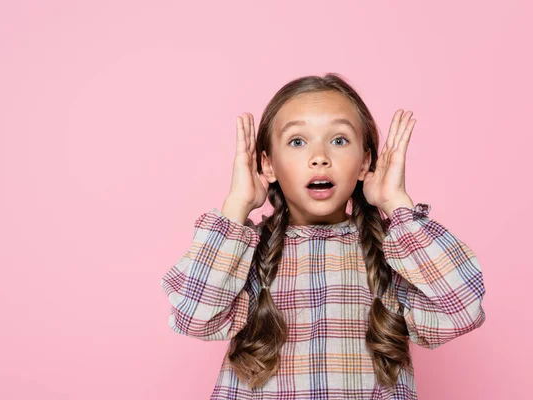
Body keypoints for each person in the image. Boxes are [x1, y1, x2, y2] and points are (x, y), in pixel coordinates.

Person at [160, 73, 486, 399]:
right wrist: (236, 206)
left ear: (365, 162)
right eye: (297, 141)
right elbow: (193, 316)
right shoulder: (241, 252)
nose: (320, 157)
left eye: (339, 140)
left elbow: (461, 309)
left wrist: (396, 203)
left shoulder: (395, 250)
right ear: (267, 164)